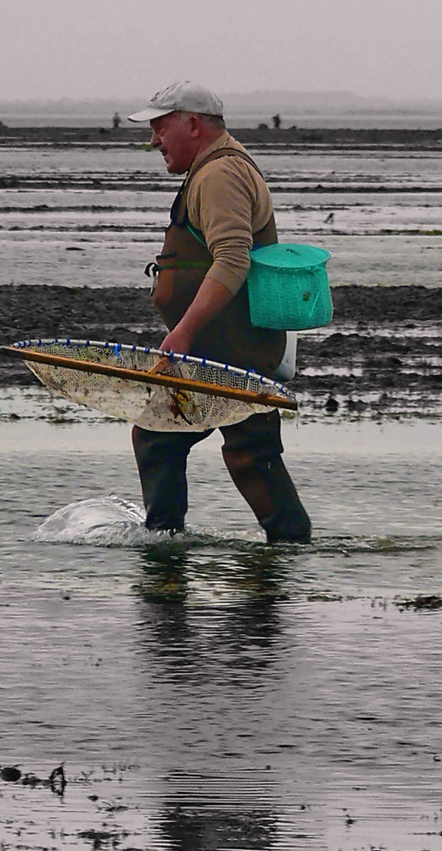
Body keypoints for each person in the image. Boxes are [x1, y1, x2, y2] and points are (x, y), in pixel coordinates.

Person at [127, 81, 311, 544]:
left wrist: (184, 333)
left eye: (159, 127)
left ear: (192, 123)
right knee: (167, 436)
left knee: (235, 448)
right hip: (224, 345)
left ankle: (172, 553)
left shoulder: (220, 175)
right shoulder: (214, 169)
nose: (153, 140)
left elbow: (233, 258)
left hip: (229, 348)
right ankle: (170, 545)